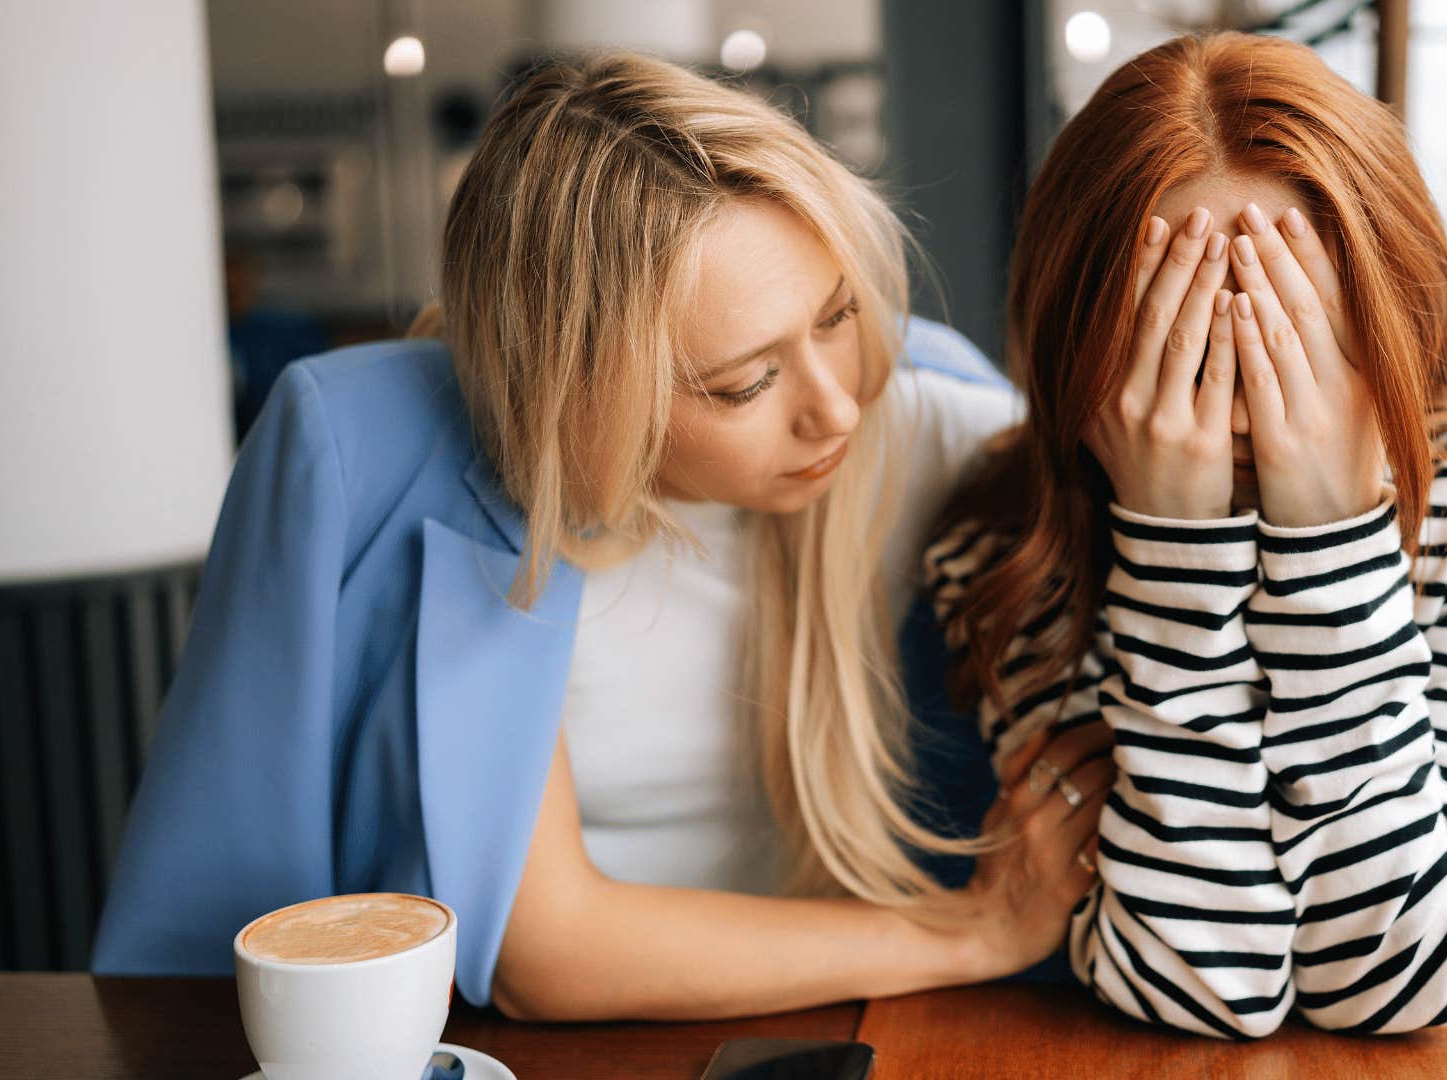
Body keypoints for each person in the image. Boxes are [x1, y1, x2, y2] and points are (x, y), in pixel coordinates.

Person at [92, 51, 1108, 1020]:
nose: (836, 406)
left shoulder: (927, 414)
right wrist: (967, 938)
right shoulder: (365, 445)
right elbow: (545, 949)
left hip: (869, 1027)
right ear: (585, 397)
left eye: (838, 314)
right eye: (744, 382)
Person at [925, 31, 1447, 1039]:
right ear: (1079, 331)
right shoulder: (1009, 549)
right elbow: (1203, 987)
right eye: (1181, 332)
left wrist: (1331, 537)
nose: (1249, 391)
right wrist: (1173, 550)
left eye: (1292, 321)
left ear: (1392, 301)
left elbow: (1414, 989)